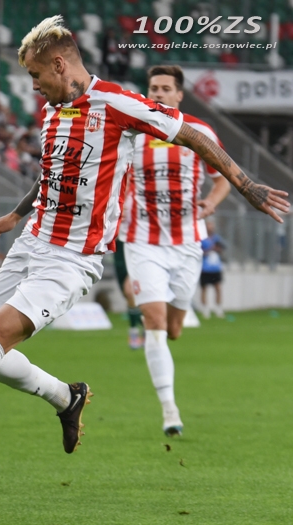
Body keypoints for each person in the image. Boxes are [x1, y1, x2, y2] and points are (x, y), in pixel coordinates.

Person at [0, 15, 289, 492]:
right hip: (32, 241)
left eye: (36, 75)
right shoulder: (52, 111)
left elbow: (193, 135)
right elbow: (51, 173)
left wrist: (246, 186)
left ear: (60, 65)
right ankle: (66, 398)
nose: (33, 86)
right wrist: (16, 215)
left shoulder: (118, 103)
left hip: (71, 258)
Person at [120, 65, 232, 436]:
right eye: (154, 88)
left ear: (179, 95)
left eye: (166, 88)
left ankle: (160, 330)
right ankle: (169, 410)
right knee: (154, 322)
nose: (159, 93)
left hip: (187, 242)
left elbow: (223, 177)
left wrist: (211, 202)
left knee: (174, 330)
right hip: (142, 240)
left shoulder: (199, 132)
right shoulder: (131, 132)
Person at [113, 238, 143, 349]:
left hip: (135, 253)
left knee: (130, 292)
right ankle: (146, 325)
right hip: (119, 257)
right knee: (128, 296)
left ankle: (133, 331)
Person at [200, 220, 225, 319]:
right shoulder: (202, 239)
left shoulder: (217, 238)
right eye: (209, 226)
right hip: (205, 269)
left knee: (218, 288)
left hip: (216, 268)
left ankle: (218, 308)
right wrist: (210, 249)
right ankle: (205, 309)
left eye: (212, 226)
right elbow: (199, 252)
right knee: (204, 289)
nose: (211, 228)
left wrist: (218, 249)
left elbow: (222, 249)